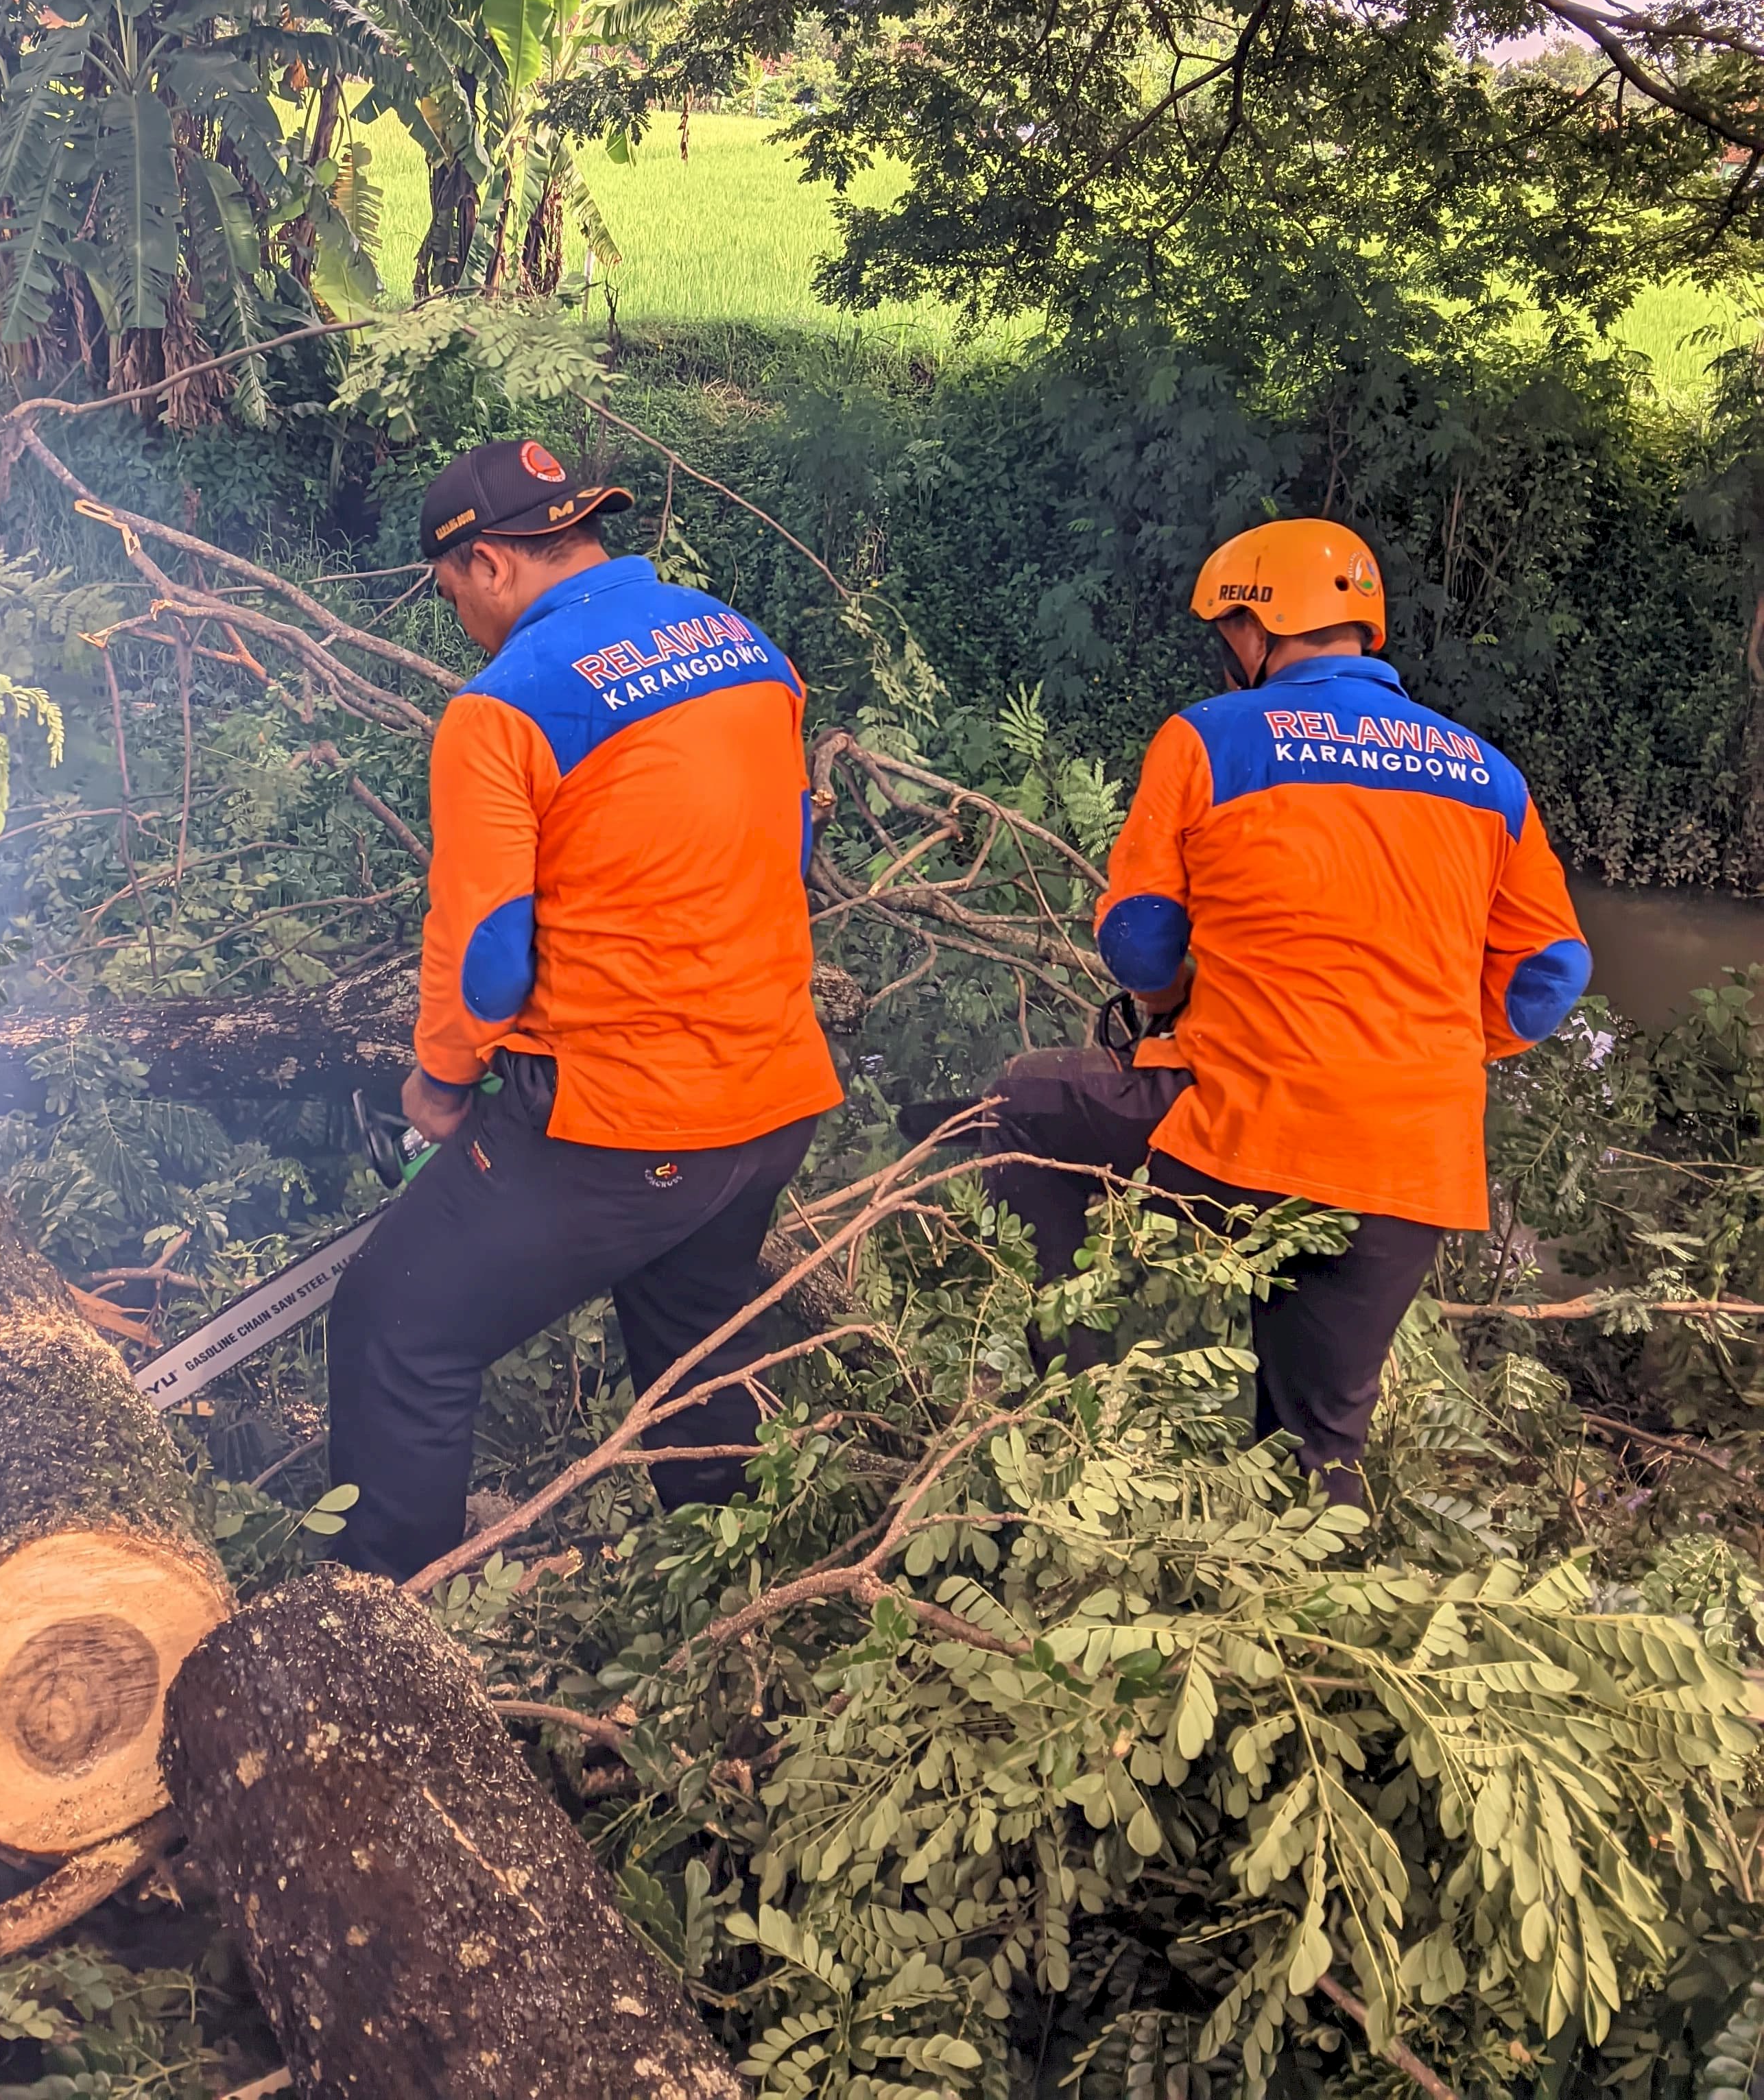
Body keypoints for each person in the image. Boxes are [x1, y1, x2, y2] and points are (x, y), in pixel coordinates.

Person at [986, 518, 1590, 1503]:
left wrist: (1172, 1002)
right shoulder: (1489, 776)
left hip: (1243, 1130)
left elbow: (1138, 937)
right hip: (1411, 1163)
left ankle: (1067, 1404)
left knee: (1022, 1104)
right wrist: (1428, 1045)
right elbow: (1550, 974)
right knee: (1318, 1442)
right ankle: (1321, 1612)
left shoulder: (1209, 738)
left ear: (1256, 627)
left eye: (1229, 630)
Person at [325, 433, 842, 1579]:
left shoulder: (500, 709)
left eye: (450, 587)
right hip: (774, 1098)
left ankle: (377, 1619)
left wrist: (442, 1086)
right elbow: (790, 847)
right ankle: (738, 1590)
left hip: (627, 1125)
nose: (456, 609)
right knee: (688, 1339)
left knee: (398, 1329)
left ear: (492, 565)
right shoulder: (746, 647)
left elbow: (490, 962)